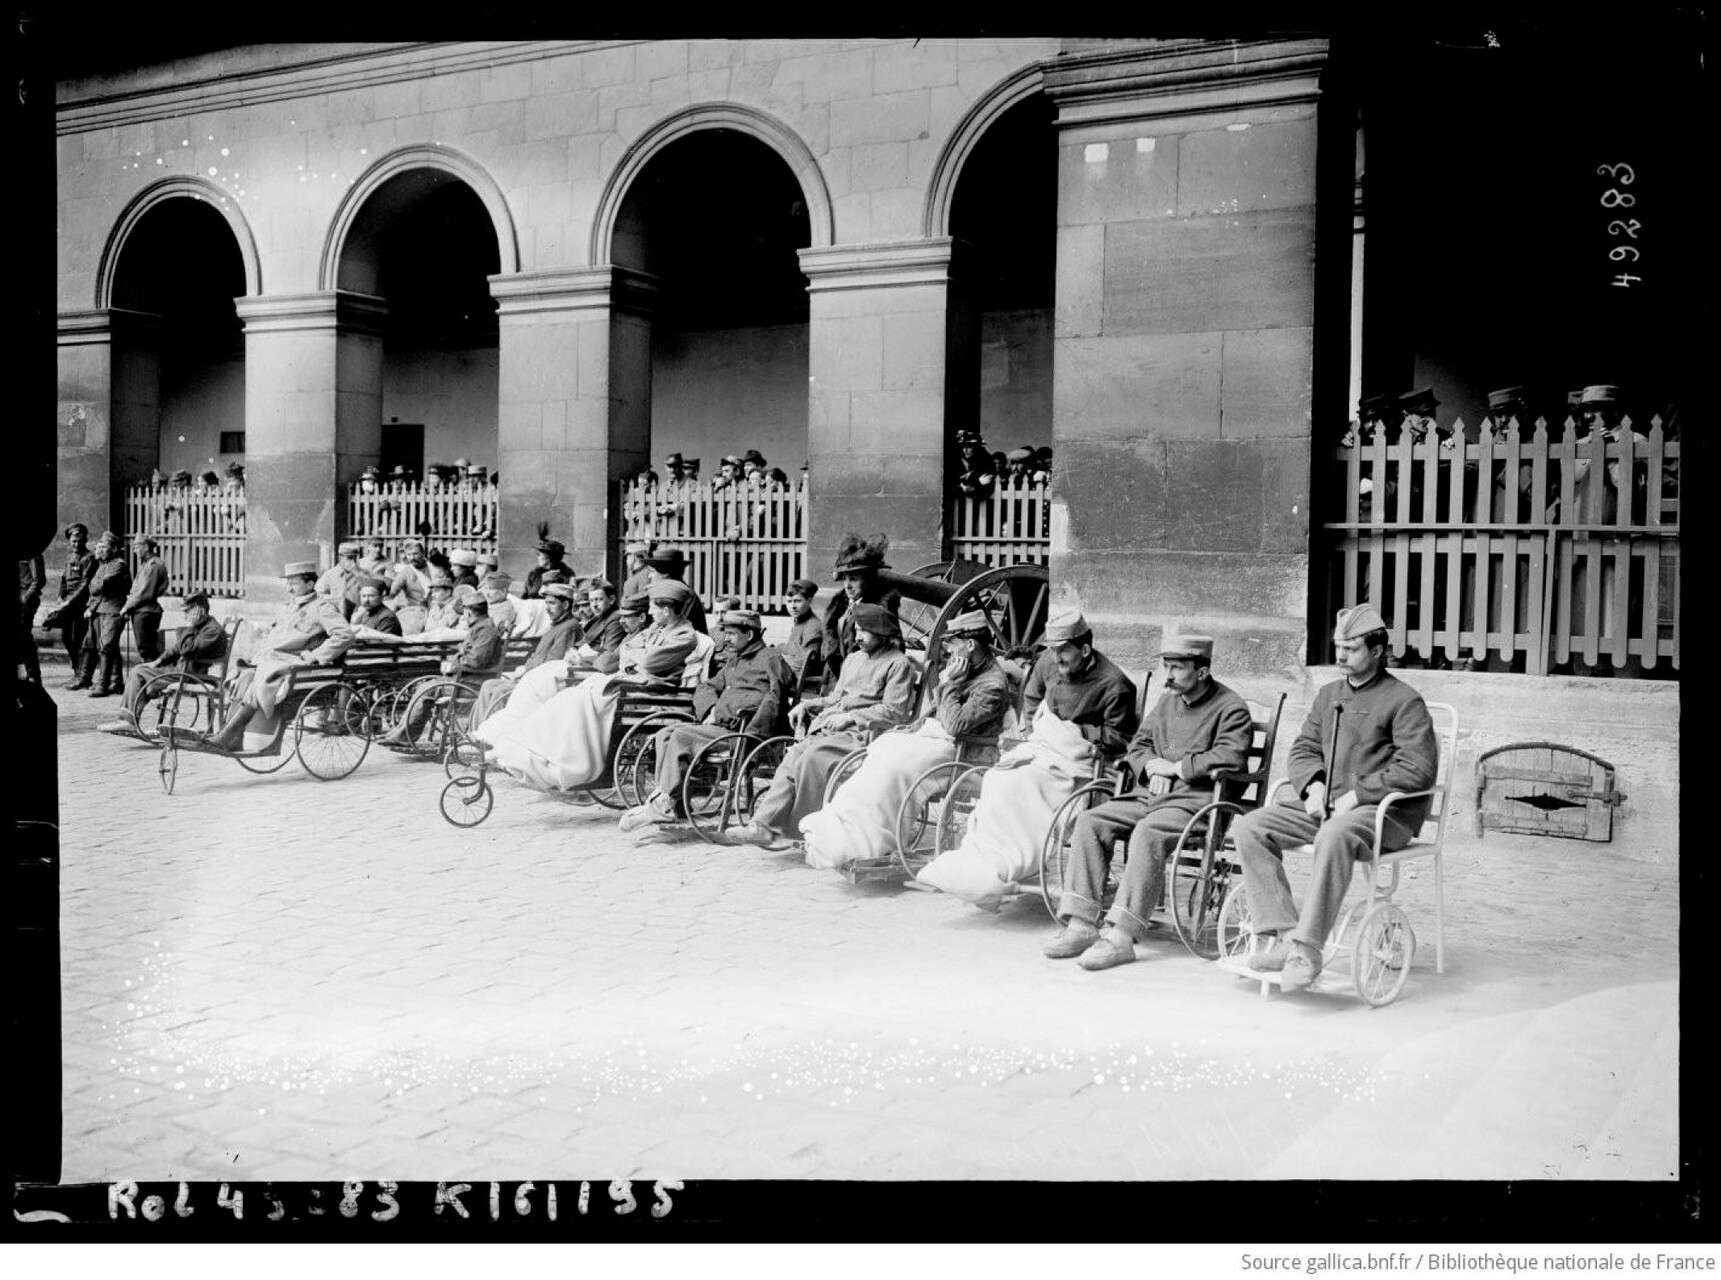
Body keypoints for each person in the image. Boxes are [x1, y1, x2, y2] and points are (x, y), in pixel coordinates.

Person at [1231, 604, 1438, 991]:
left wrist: (1359, 794)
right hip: (1329, 808)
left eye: (1352, 648)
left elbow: (1417, 769)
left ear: (1377, 651)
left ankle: (1307, 950)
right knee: (1250, 825)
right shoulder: (1328, 696)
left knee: (1335, 833)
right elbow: (1303, 749)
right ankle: (1284, 934)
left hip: (1382, 815)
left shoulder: (1404, 701)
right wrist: (1312, 786)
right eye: (1338, 646)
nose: (1340, 655)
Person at [1042, 631, 1252, 971]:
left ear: (1201, 671)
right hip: (1148, 796)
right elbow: (1137, 745)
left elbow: (1231, 755)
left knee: (1148, 833)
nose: (1168, 675)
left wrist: (1177, 768)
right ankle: (1081, 924)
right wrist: (1150, 764)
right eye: (1166, 666)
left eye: (1177, 667)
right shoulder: (1167, 702)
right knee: (1091, 821)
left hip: (1194, 803)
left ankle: (1121, 936)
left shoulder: (1231, 708)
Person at [915, 607, 1139, 907]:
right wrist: (1039, 726)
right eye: (1053, 652)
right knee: (997, 777)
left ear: (1085, 650)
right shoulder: (1049, 661)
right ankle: (982, 859)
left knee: (1025, 784)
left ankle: (1014, 862)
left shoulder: (1115, 685)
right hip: (1043, 747)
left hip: (1081, 762)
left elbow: (1120, 739)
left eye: (1064, 653)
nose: (1056, 659)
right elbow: (1032, 697)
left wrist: (1075, 733)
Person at [801, 609, 1013, 869]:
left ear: (969, 645)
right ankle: (846, 833)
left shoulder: (991, 684)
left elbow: (956, 725)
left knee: (895, 768)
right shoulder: (966, 667)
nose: (946, 649)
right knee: (881, 752)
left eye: (951, 642)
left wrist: (948, 684)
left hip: (967, 752)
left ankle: (875, 840)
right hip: (940, 740)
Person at [475, 579, 702, 791]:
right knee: (565, 699)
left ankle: (571, 765)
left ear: (666, 609)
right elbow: (625, 652)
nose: (650, 612)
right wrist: (637, 657)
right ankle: (536, 753)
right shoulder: (657, 629)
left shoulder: (685, 635)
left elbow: (650, 662)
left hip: (650, 692)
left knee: (577, 703)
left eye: (653, 607)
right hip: (630, 684)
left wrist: (638, 657)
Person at [729, 602, 917, 851]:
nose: (858, 637)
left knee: (812, 758)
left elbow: (895, 711)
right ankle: (762, 826)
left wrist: (852, 718)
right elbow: (836, 698)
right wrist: (808, 706)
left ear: (882, 633)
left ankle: (802, 829)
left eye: (865, 632)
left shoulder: (898, 664)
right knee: (795, 754)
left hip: (866, 733)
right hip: (834, 728)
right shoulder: (853, 659)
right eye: (857, 631)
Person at [619, 607, 796, 832]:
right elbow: (706, 686)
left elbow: (776, 698)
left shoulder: (770, 658)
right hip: (720, 727)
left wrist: (747, 730)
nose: (726, 639)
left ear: (749, 635)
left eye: (731, 634)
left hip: (745, 733)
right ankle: (670, 801)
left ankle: (663, 803)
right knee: (665, 734)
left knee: (681, 736)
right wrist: (711, 708)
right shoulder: (735, 661)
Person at [199, 561, 354, 750]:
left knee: (259, 679)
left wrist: (316, 655)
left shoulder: (322, 608)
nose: (289, 588)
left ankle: (226, 736)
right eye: (287, 583)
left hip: (296, 664)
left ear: (310, 584)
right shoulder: (288, 607)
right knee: (244, 675)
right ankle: (234, 737)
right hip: (275, 661)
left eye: (294, 583)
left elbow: (345, 635)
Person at [377, 594, 506, 748]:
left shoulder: (485, 630)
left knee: (426, 690)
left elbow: (477, 660)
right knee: (425, 686)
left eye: (464, 612)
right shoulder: (480, 628)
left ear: (469, 612)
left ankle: (403, 736)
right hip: (467, 680)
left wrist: (453, 665)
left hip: (473, 684)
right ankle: (399, 733)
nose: (464, 616)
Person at [97, 591, 227, 734]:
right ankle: (128, 719)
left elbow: (186, 650)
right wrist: (158, 662)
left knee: (138, 673)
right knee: (142, 669)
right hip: (183, 670)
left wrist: (190, 626)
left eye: (188, 612)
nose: (185, 616)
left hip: (192, 675)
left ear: (200, 610)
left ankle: (128, 721)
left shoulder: (212, 630)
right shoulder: (202, 626)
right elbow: (176, 648)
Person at [470, 582, 586, 732]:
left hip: (542, 683)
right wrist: (524, 668)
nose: (547, 608)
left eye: (552, 603)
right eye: (546, 603)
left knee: (500, 691)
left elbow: (553, 663)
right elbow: (537, 655)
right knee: (488, 685)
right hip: (531, 676)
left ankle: (491, 736)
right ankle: (476, 733)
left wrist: (526, 671)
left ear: (565, 605)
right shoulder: (555, 626)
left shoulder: (569, 626)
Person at [822, 533, 901, 681]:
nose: (847, 585)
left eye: (854, 579)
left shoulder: (878, 611)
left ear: (868, 580)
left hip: (864, 680)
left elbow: (892, 650)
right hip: (836, 678)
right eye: (844, 579)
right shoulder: (841, 605)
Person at [79, 531, 133, 697]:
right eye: (99, 547)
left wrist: (95, 586)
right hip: (100, 609)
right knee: (109, 646)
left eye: (104, 547)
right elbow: (93, 586)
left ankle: (103, 685)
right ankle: (116, 682)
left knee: (107, 647)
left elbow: (100, 586)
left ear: (114, 549)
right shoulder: (102, 565)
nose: (100, 550)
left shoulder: (119, 564)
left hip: (113, 610)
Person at [48, 523, 97, 684]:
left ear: (85, 540)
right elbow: (64, 579)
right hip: (67, 604)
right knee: (66, 637)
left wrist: (68, 601)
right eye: (73, 541)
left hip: (81, 604)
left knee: (79, 639)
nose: (76, 544)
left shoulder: (89, 558)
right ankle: (76, 669)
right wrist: (60, 597)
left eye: (79, 541)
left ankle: (83, 675)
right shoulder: (70, 557)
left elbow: (85, 584)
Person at [121, 536, 170, 662]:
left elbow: (144, 592)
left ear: (146, 547)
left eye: (137, 547)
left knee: (147, 650)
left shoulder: (153, 565)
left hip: (146, 612)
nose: (134, 550)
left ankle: (152, 678)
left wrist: (127, 607)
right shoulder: (146, 564)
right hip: (141, 611)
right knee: (145, 650)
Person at [644, 546, 708, 635]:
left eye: (653, 572)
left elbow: (678, 630)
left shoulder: (685, 596)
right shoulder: (663, 594)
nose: (649, 576)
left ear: (665, 574)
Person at [778, 578, 825, 689]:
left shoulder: (813, 626)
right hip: (790, 672)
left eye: (798, 601)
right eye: (789, 602)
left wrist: (781, 651)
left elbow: (805, 663)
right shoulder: (799, 622)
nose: (792, 606)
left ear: (809, 601)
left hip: (801, 678)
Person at [316, 542, 365, 619]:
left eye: (355, 558)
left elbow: (371, 592)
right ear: (340, 557)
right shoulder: (330, 574)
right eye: (349, 558)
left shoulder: (363, 573)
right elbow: (319, 594)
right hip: (337, 616)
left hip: (359, 616)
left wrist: (358, 574)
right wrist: (336, 600)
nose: (352, 561)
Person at [18, 549, 46, 684]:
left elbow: (38, 580)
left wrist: (25, 598)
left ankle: (33, 675)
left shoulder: (32, 553)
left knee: (23, 637)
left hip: (26, 601)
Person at [525, 533, 569, 599]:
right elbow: (526, 596)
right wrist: (541, 582)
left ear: (549, 557)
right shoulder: (533, 574)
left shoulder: (565, 573)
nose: (537, 557)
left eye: (539, 554)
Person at [421, 568, 465, 633]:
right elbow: (427, 627)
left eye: (436, 591)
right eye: (432, 592)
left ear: (448, 592)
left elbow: (445, 626)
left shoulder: (455, 606)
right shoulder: (435, 606)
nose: (433, 595)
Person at [479, 572, 518, 639]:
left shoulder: (505, 609)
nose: (487, 593)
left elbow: (492, 632)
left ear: (503, 591)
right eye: (485, 589)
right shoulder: (493, 604)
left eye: (491, 589)